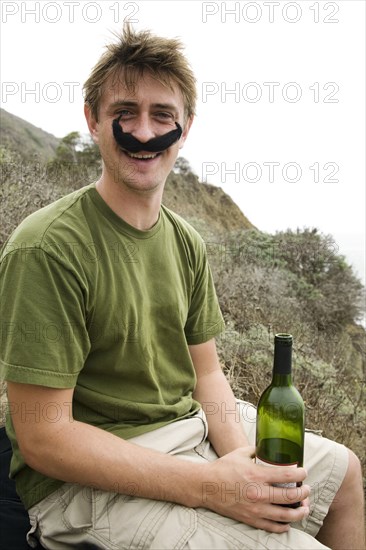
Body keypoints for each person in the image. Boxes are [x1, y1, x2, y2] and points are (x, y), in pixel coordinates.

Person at [0, 24, 364, 550]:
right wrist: (212, 487)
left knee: (345, 473)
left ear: (185, 127)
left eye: (162, 115)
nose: (144, 133)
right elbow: (43, 437)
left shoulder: (185, 240)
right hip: (84, 481)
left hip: (186, 429)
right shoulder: (49, 248)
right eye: (124, 113)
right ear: (93, 122)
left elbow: (207, 370)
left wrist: (242, 459)